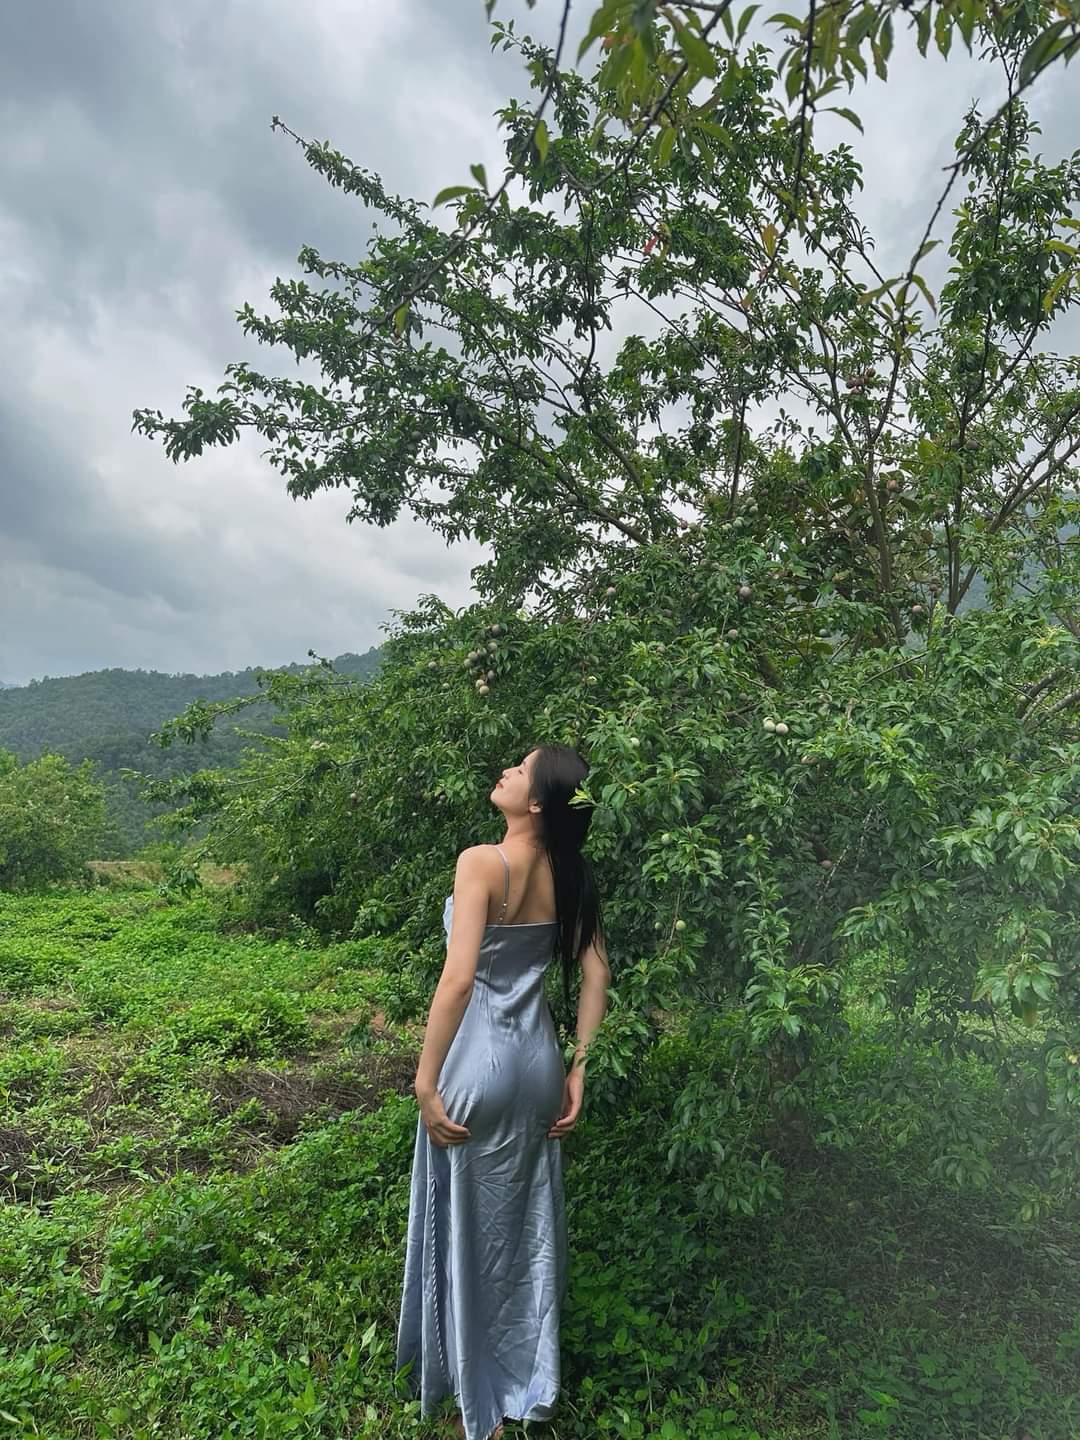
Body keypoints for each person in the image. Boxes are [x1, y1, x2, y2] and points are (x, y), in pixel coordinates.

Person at [395, 743, 612, 1440]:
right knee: (523, 1223)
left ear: (539, 802)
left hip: (476, 1064)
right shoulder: (572, 875)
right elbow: (597, 975)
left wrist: (425, 1078)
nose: (507, 772)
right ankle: (525, 1369)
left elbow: (459, 979)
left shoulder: (482, 862)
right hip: (539, 1064)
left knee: (466, 1220)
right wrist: (578, 1067)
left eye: (521, 769)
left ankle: (471, 1384)